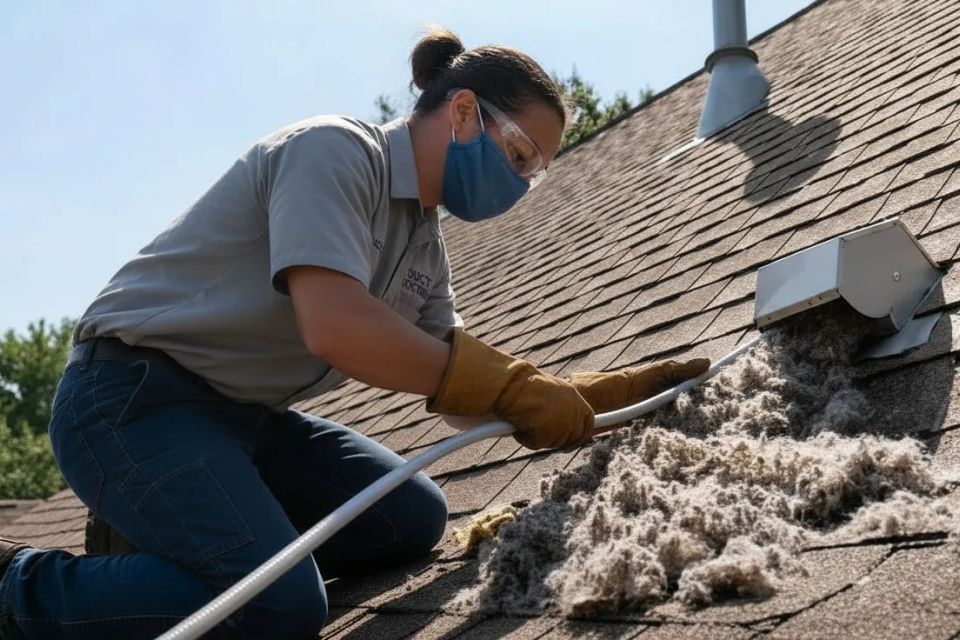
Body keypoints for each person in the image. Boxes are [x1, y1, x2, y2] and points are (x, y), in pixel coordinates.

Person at [0, 29, 709, 639]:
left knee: (409, 519)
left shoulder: (424, 243)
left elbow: (455, 383)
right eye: (521, 155)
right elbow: (335, 325)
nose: (521, 182)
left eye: (536, 174)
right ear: (464, 111)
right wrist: (515, 387)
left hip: (242, 420)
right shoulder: (336, 152)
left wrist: (571, 394)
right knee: (279, 607)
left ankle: (185, 543)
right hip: (129, 400)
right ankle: (17, 585)